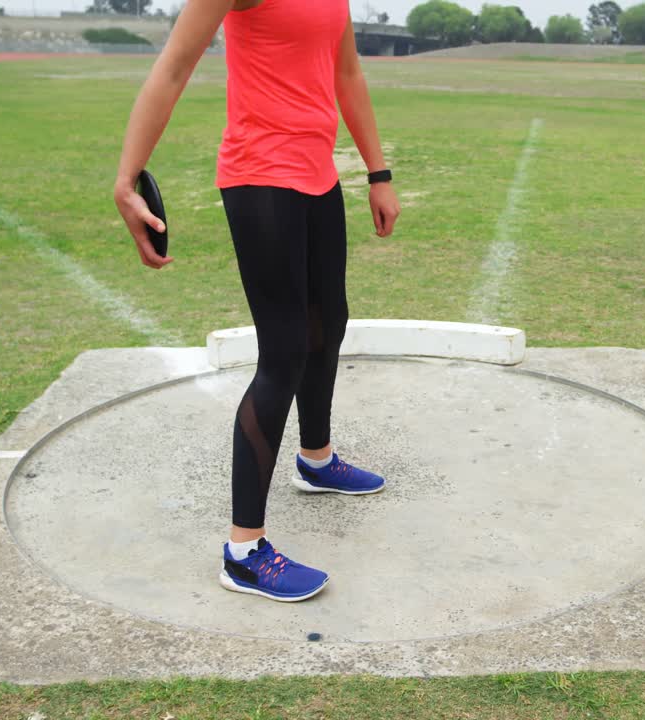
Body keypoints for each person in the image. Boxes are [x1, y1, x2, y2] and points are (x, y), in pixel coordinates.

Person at [113, 0, 400, 603]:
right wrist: (127, 179)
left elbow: (346, 71)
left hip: (317, 175)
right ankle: (244, 552)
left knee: (329, 324)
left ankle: (316, 460)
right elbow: (174, 66)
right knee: (284, 353)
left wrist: (378, 174)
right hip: (260, 176)